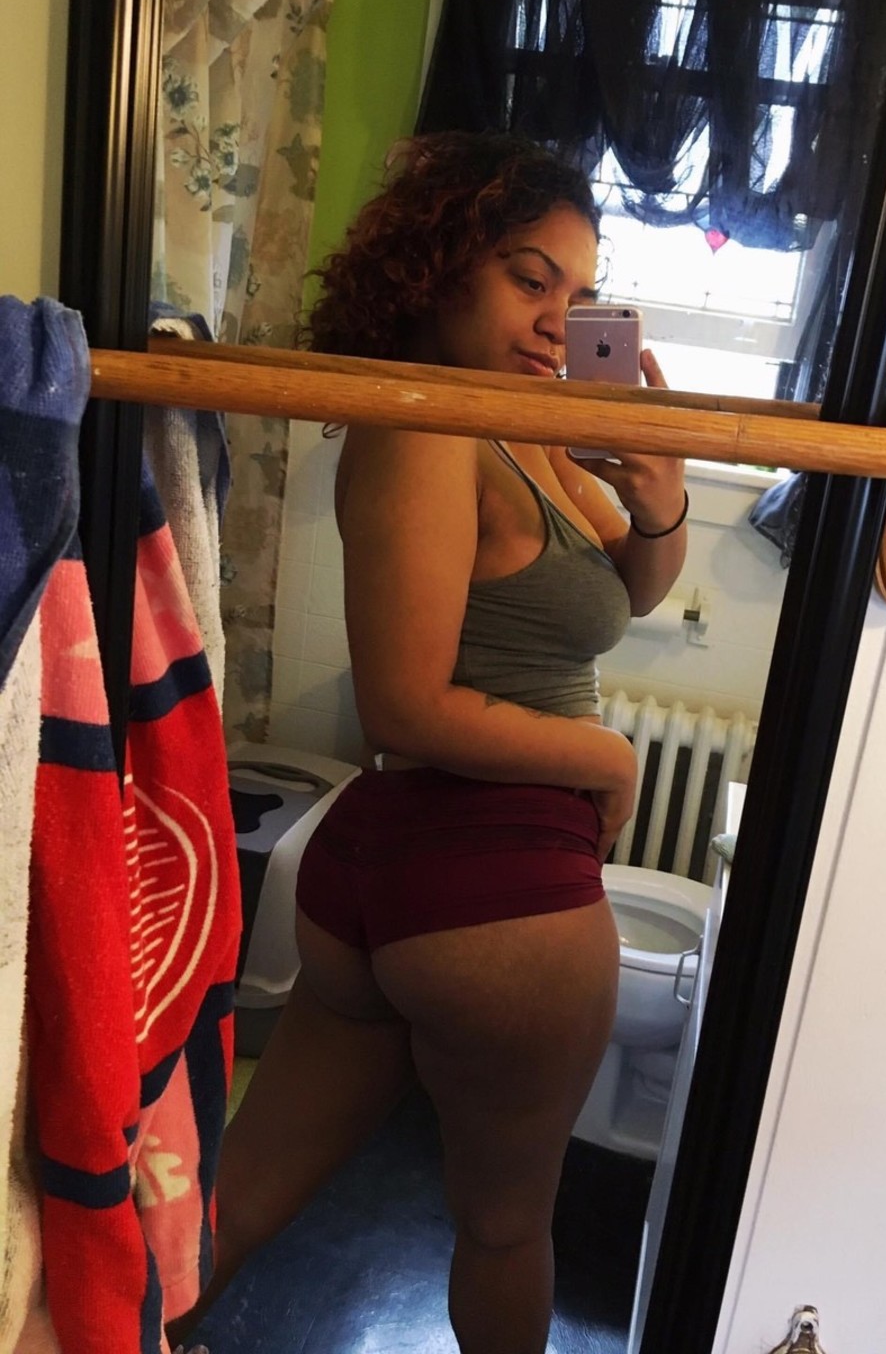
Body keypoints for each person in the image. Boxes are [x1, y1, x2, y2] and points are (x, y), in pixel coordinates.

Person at [174, 130, 688, 1354]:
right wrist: (607, 759)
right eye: (528, 277)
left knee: (238, 1197)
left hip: (391, 872)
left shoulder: (525, 425)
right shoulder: (423, 423)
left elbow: (628, 591)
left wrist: (662, 499)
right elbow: (404, 704)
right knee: (506, 1230)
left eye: (579, 291)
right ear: (440, 266)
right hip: (492, 879)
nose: (558, 319)